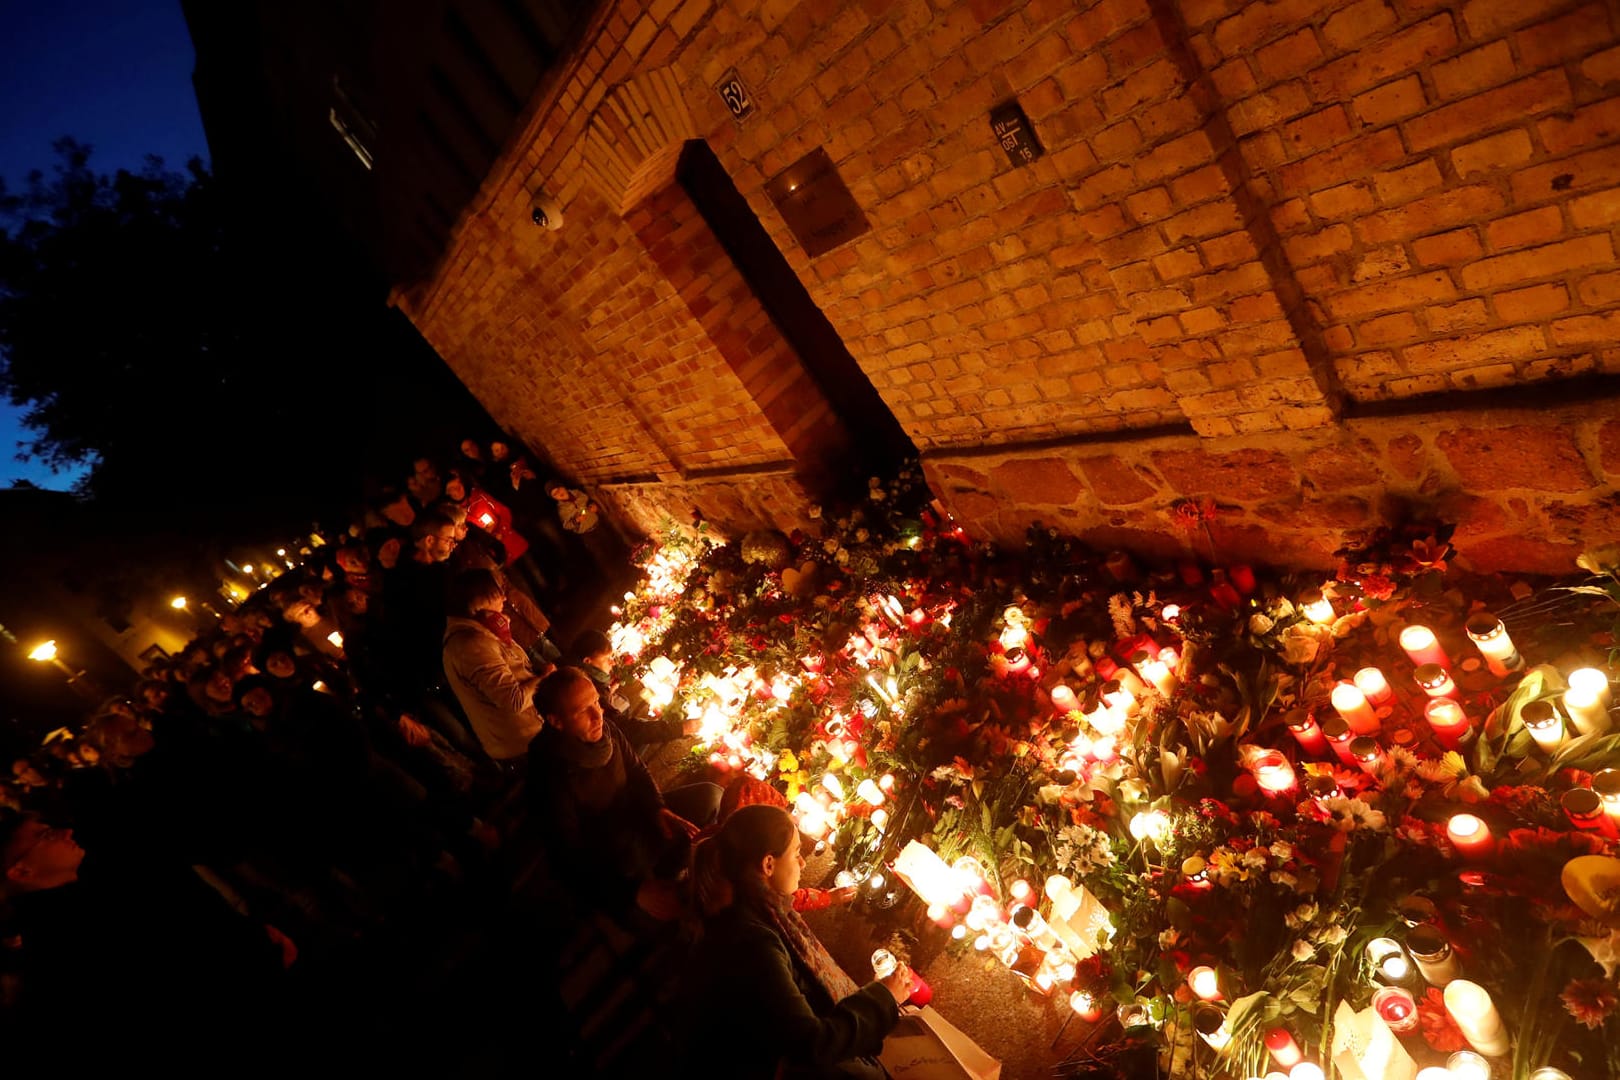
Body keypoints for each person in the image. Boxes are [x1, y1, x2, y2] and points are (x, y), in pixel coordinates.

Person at [686, 804, 908, 1079]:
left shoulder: (761, 910)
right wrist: (882, 997)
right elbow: (810, 1044)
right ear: (768, 864)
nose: (803, 863)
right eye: (796, 853)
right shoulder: (754, 942)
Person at [528, 667, 721, 920]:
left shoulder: (606, 731)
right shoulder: (550, 772)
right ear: (556, 721)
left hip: (638, 818)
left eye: (596, 702)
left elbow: (638, 771)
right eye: (582, 711)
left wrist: (659, 809)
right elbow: (568, 855)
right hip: (610, 856)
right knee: (659, 909)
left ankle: (672, 876)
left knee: (710, 796)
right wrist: (634, 892)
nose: (597, 714)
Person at [442, 569, 543, 768]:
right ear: (478, 601)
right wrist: (545, 678)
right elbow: (513, 700)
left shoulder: (483, 629)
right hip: (523, 743)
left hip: (530, 733)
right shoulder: (470, 644)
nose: (504, 598)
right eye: (497, 593)